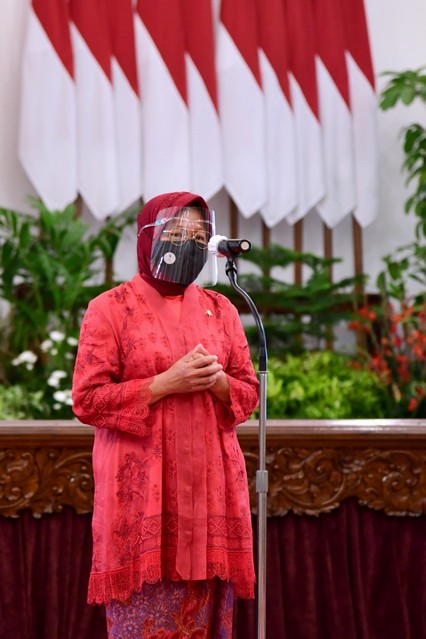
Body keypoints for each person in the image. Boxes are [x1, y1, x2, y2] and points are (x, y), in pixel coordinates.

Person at [72, 191, 259, 638]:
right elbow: (88, 399)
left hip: (211, 491)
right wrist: (164, 384)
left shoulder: (222, 310)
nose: (189, 243)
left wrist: (217, 382)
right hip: (143, 496)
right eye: (177, 233)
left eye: (198, 235)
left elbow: (249, 393)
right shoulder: (110, 308)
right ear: (147, 238)